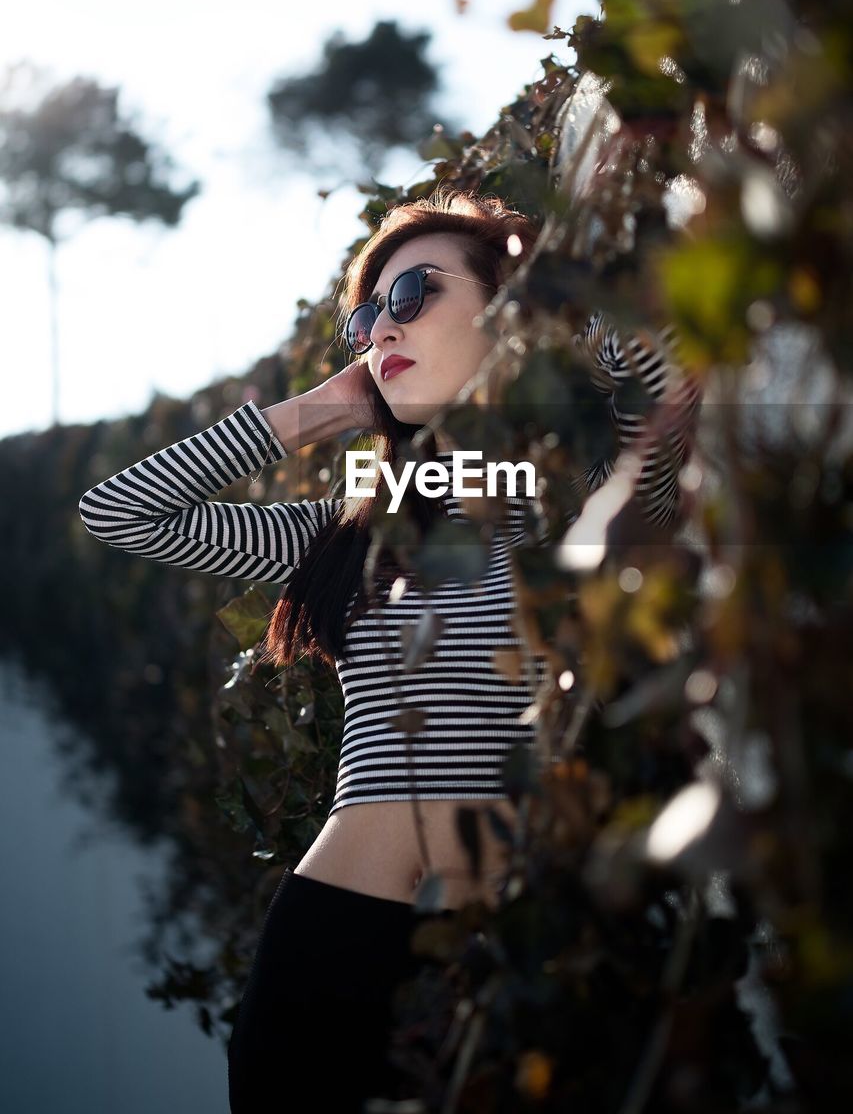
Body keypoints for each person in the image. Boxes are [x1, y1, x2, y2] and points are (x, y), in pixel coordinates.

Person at [77, 187, 699, 1111]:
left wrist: (570, 308)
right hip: (327, 936)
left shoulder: (578, 501)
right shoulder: (343, 529)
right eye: (367, 317)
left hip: (506, 941)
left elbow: (665, 378)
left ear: (507, 312)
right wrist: (322, 410)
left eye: (413, 296)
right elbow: (117, 511)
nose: (380, 331)